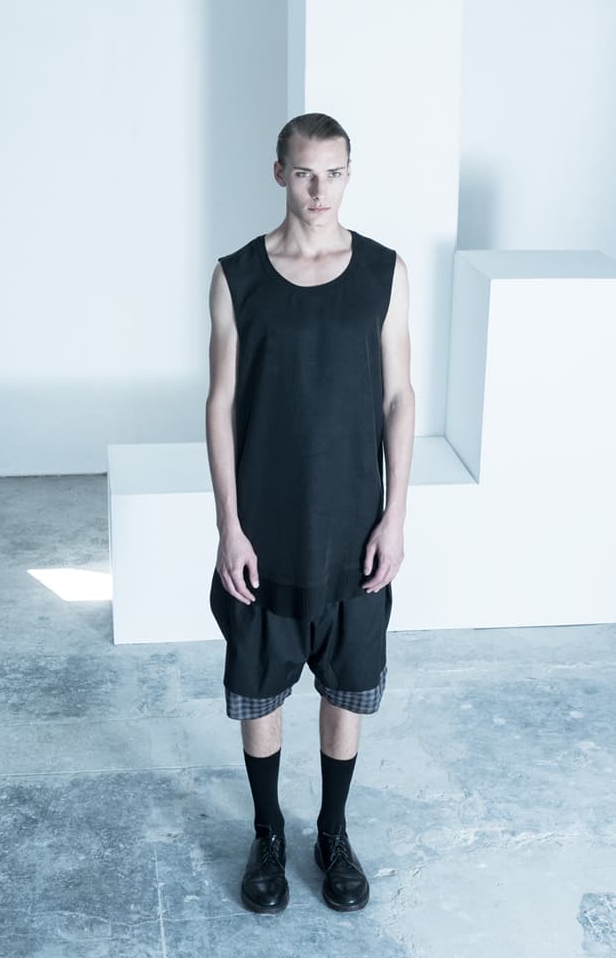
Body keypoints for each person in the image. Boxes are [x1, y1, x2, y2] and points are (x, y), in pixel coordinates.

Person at [205, 112, 414, 914]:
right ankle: (267, 833)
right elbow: (220, 404)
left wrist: (394, 517)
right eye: (303, 173)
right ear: (279, 174)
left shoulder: (383, 271)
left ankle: (331, 832)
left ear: (348, 174)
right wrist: (229, 526)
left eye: (332, 173)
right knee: (260, 690)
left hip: (353, 525)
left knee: (345, 688)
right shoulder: (238, 275)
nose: (319, 190)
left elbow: (398, 398)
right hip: (265, 528)